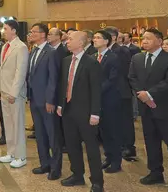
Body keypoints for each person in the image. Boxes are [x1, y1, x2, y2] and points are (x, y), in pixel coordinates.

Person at [129, 28, 168, 192]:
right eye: (143, 39)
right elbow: (132, 78)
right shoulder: (137, 58)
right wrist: (142, 94)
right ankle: (155, 173)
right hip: (146, 109)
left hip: (166, 109)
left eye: (148, 38)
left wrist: (150, 94)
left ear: (159, 41)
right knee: (151, 142)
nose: (144, 41)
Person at [57, 30, 103, 191]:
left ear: (81, 42)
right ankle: (77, 175)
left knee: (91, 148)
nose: (67, 41)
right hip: (68, 111)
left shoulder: (91, 63)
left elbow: (96, 90)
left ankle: (97, 181)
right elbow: (64, 85)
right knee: (72, 145)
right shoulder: (66, 61)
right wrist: (60, 105)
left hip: (86, 112)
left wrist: (95, 113)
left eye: (70, 39)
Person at [27, 24, 62, 179]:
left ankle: (56, 168)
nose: (31, 34)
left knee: (52, 134)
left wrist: (50, 100)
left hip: (46, 101)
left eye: (34, 32)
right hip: (34, 99)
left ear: (43, 35)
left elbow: (53, 79)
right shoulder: (33, 50)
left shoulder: (51, 53)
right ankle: (44, 164)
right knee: (40, 134)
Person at [0, 19, 28, 168]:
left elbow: (20, 72)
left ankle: (21, 156)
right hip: (4, 91)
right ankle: (11, 152)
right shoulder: (5, 47)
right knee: (8, 124)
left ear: (14, 30)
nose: (4, 31)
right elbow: (2, 70)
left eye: (6, 28)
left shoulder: (21, 47)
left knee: (17, 125)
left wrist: (14, 92)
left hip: (14, 94)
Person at [103, 26, 135, 161]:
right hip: (109, 92)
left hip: (121, 91)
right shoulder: (104, 52)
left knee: (125, 120)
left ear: (113, 38)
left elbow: (123, 71)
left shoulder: (121, 51)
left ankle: (129, 146)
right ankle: (116, 147)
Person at [93, 30, 122, 173]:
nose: (95, 40)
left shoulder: (113, 57)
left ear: (106, 41)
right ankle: (108, 157)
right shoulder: (93, 57)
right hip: (98, 100)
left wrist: (96, 91)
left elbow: (112, 80)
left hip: (110, 100)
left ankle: (116, 161)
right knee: (103, 131)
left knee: (112, 131)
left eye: (98, 38)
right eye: (94, 37)